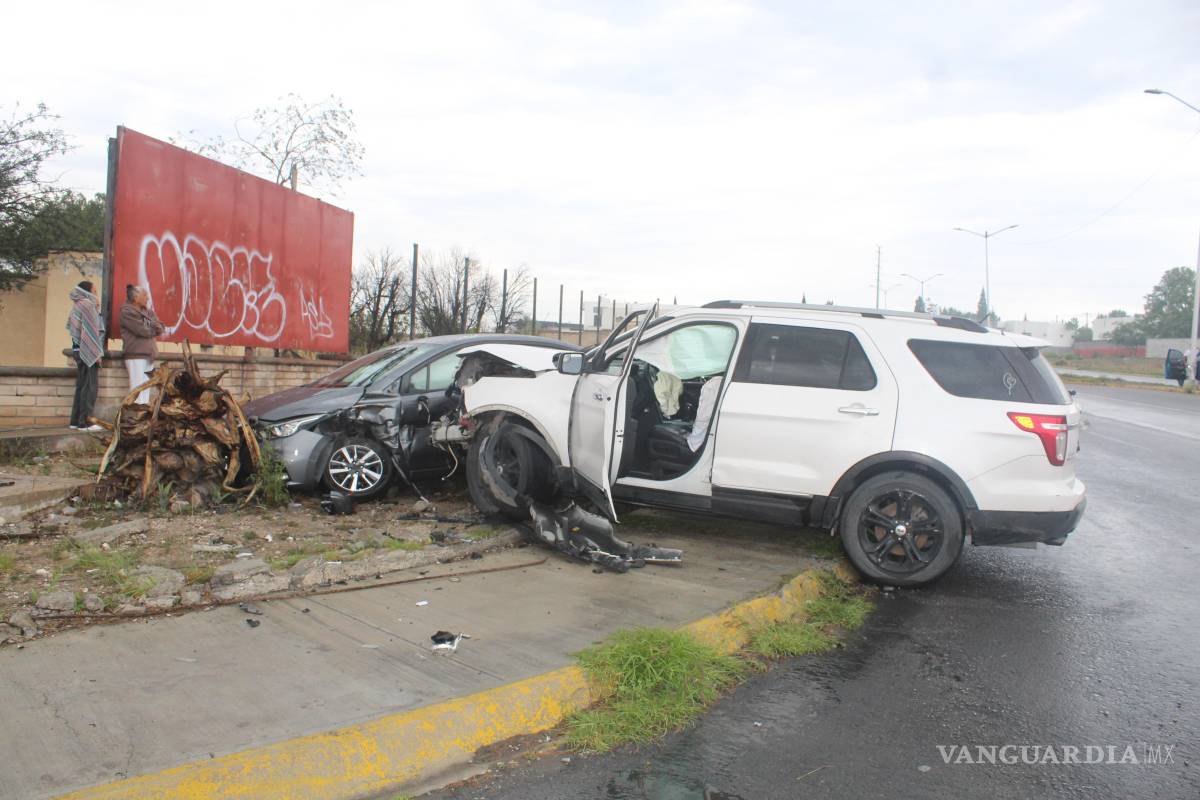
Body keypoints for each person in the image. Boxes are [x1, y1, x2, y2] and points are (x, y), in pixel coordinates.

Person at [66, 280, 105, 431]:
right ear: (88, 291)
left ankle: (75, 421)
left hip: (77, 350)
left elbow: (75, 327)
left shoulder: (78, 304)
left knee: (81, 386)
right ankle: (86, 422)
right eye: (94, 290)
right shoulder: (88, 305)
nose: (96, 293)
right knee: (90, 386)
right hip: (87, 351)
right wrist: (96, 352)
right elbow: (92, 330)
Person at [119, 284, 165, 404]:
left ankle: (143, 417)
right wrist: (153, 327)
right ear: (135, 297)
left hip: (149, 354)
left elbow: (160, 327)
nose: (148, 298)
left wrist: (153, 326)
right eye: (144, 295)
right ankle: (134, 417)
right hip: (136, 355)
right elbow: (141, 330)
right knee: (137, 388)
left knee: (146, 388)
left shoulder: (148, 312)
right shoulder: (127, 311)